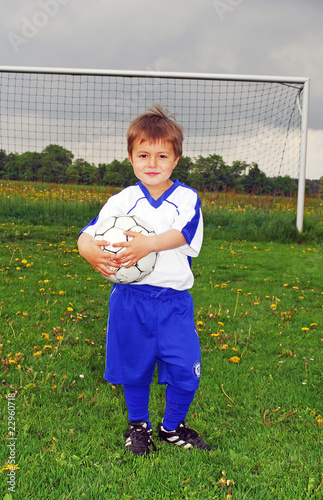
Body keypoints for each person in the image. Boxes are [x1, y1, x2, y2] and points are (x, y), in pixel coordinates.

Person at [77, 105, 211, 455]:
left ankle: (172, 427)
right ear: (131, 158)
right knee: (134, 368)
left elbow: (185, 233)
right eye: (144, 154)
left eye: (162, 155)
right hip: (130, 300)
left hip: (173, 302)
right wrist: (89, 252)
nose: (152, 163)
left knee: (186, 368)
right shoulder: (121, 201)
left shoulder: (186, 198)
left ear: (176, 159)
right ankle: (139, 425)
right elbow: (89, 233)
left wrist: (148, 244)